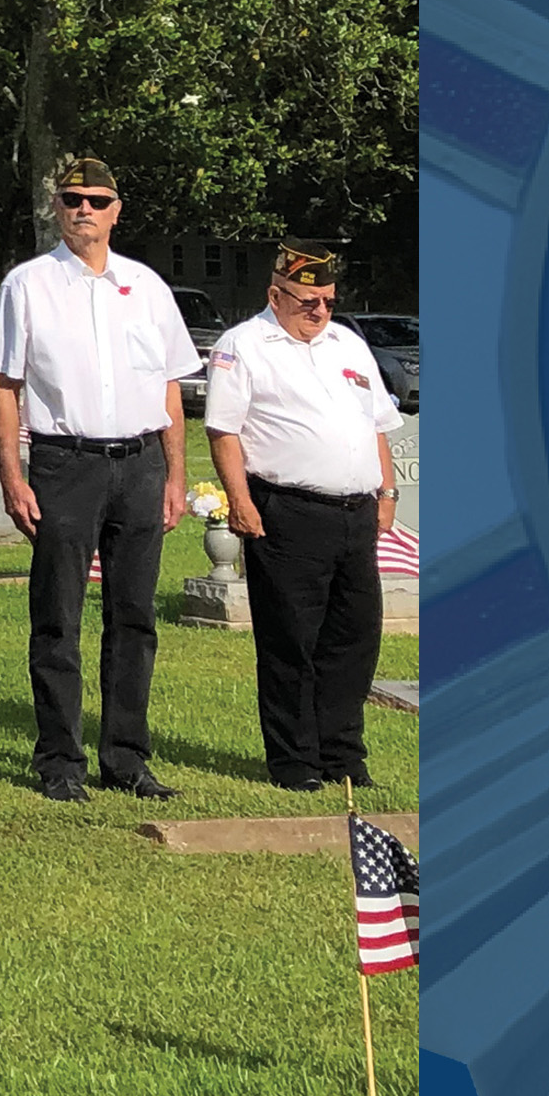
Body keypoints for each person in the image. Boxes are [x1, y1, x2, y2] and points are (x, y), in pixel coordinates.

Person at [0, 155, 201, 801]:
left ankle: (128, 757)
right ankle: (60, 759)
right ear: (57, 207)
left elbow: (168, 386)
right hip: (64, 461)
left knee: (134, 617)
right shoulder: (28, 285)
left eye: (98, 200)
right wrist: (12, 476)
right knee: (58, 616)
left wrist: (174, 475)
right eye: (73, 198)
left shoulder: (147, 286)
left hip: (139, 464)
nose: (85, 209)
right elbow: (5, 386)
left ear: (116, 210)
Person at [210, 237, 408, 792]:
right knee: (290, 640)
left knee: (355, 637)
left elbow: (376, 425)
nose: (319, 310)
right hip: (288, 509)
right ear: (276, 294)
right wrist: (240, 502)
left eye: (326, 299)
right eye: (306, 300)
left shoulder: (347, 343)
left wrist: (386, 494)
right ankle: (294, 761)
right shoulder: (244, 345)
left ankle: (342, 754)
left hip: (355, 511)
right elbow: (223, 430)